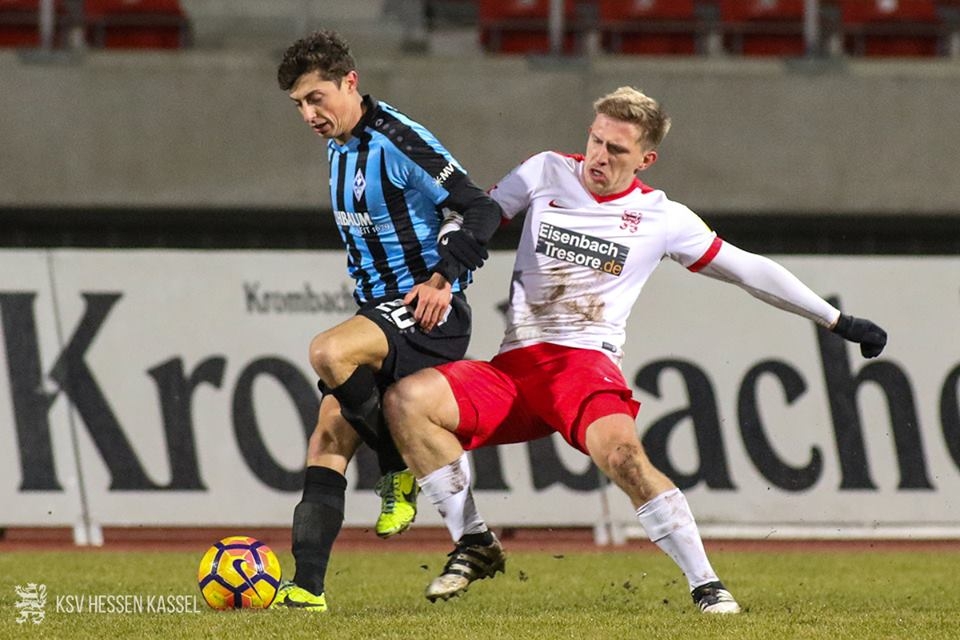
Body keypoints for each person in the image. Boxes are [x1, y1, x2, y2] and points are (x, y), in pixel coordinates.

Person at [383, 86, 888, 614]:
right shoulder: (545, 171)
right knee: (406, 401)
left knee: (624, 458)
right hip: (515, 369)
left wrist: (836, 320)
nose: (598, 156)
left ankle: (707, 584)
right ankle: (474, 540)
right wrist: (445, 267)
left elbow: (748, 270)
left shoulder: (661, 217)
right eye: (595, 140)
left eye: (616, 150)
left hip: (582, 367)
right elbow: (477, 215)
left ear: (646, 159)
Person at [271, 29, 502, 611]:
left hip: (428, 312)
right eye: (299, 104)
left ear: (350, 82)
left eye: (317, 98)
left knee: (328, 352)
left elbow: (480, 207)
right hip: (379, 314)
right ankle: (307, 589)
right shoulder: (339, 144)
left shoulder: (397, 140)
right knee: (328, 436)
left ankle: (396, 463)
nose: (308, 114)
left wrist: (443, 278)